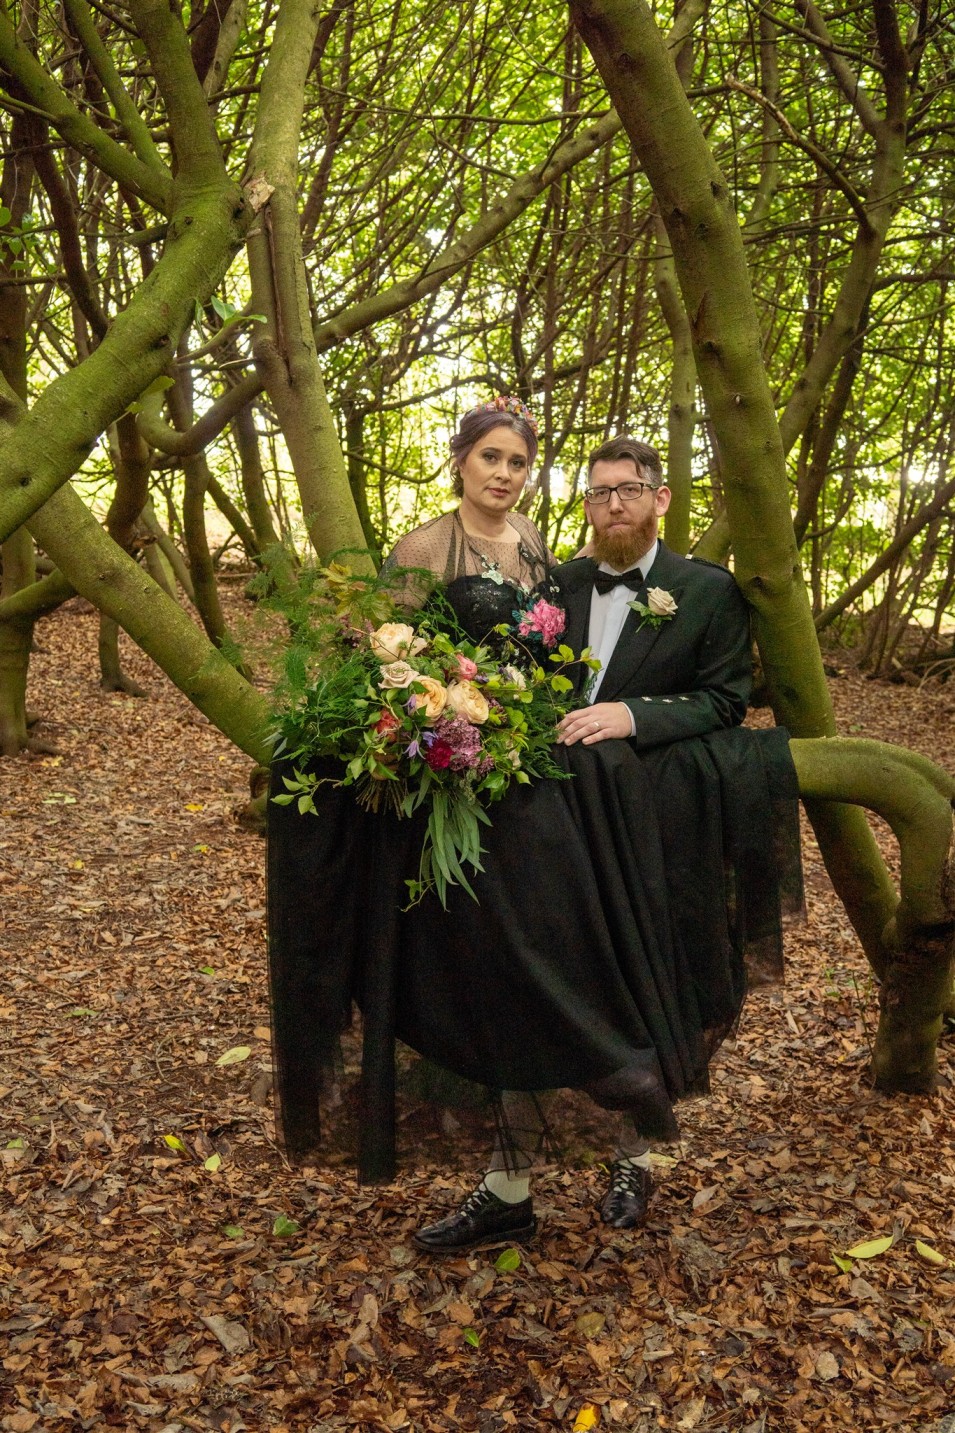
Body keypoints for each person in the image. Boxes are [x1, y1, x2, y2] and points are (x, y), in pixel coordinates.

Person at [266, 409, 798, 1250]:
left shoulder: (693, 587)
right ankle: (507, 1184)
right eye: (599, 492)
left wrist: (632, 714)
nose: (613, 503)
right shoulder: (558, 579)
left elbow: (725, 697)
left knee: (627, 972)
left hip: (640, 821)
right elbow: (441, 668)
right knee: (519, 979)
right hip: (524, 816)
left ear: (659, 498)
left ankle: (634, 1155)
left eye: (628, 490)